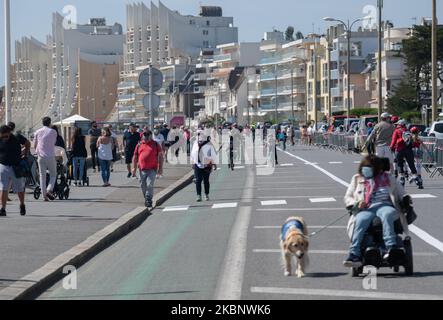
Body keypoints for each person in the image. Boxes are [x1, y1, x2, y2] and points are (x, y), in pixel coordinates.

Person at [344, 155, 409, 267]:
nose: (366, 169)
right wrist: (356, 203)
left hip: (384, 205)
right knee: (360, 220)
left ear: (378, 168)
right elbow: (348, 197)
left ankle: (391, 247)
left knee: (388, 214)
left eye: (370, 167)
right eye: (365, 166)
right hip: (366, 208)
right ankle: (354, 253)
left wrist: (405, 200)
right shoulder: (357, 178)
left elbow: (402, 193)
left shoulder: (389, 178)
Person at [132, 130, 163, 209]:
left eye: (147, 135)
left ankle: (148, 199)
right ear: (142, 136)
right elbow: (135, 157)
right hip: (141, 169)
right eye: (144, 135)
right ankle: (146, 197)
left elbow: (160, 157)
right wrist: (134, 168)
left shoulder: (155, 144)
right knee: (142, 185)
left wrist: (160, 168)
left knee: (149, 184)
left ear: (150, 136)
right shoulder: (139, 145)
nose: (146, 137)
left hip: (152, 169)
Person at [0, 125, 27, 216]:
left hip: (16, 166)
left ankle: (22, 204)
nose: (4, 138)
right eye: (2, 136)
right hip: (3, 165)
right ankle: (3, 209)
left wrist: (25, 152)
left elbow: (27, 143)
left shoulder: (17, 137)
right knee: (3, 188)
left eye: (6, 136)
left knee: (19, 188)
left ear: (10, 133)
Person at [34, 117, 57, 201]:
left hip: (40, 156)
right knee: (53, 174)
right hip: (50, 155)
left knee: (42, 175)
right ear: (50, 123)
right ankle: (49, 189)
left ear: (42, 123)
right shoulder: (53, 132)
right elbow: (54, 142)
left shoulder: (37, 132)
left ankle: (44, 196)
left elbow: (34, 145)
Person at [191, 130, 218, 202]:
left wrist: (214, 163)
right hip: (197, 164)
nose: (198, 136)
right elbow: (193, 154)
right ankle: (198, 195)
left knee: (206, 181)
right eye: (197, 134)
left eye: (199, 134)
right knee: (198, 180)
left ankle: (206, 194)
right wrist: (193, 162)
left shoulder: (208, 144)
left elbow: (213, 154)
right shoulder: (195, 143)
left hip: (207, 165)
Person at [391, 120, 419, 187]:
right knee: (411, 164)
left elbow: (394, 140)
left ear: (399, 125)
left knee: (400, 165)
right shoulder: (408, 131)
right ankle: (417, 178)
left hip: (399, 150)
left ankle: (402, 179)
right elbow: (414, 142)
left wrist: (391, 148)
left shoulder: (397, 131)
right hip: (408, 150)